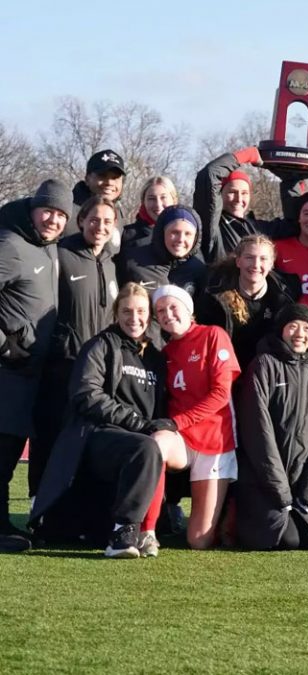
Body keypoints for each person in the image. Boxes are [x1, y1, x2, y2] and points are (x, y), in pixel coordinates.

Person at [30, 283, 172, 558]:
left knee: (160, 445)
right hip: (96, 436)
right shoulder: (100, 345)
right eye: (127, 311)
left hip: (135, 438)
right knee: (145, 447)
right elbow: (86, 395)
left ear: (150, 315)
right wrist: (137, 423)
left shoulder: (155, 357)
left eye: (141, 311)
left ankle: (155, 526)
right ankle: (123, 532)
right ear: (116, 313)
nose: (134, 318)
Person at [32, 196, 120, 499]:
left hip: (98, 372)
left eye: (107, 221)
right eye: (94, 219)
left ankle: (78, 518)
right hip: (62, 366)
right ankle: (39, 510)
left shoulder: (111, 262)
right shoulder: (61, 253)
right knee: (51, 439)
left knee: (88, 442)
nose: (100, 226)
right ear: (81, 220)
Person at [0, 179, 69, 541]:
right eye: (48, 211)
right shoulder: (10, 245)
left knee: (9, 452)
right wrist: (5, 344)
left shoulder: (47, 247)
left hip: (30, 373)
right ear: (33, 209)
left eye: (60, 215)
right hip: (7, 370)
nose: (53, 220)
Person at [236, 303, 308, 550]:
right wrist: (280, 490)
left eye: (306, 327)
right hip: (264, 481)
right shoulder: (264, 365)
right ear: (281, 329)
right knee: (288, 540)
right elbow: (258, 431)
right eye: (293, 326)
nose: (300, 333)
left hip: (301, 483)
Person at [152, 285, 242, 549]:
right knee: (156, 444)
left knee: (199, 541)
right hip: (182, 440)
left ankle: (230, 509)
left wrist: (177, 422)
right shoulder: (166, 353)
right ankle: (148, 528)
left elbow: (220, 395)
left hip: (215, 441)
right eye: (160, 311)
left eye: (173, 307)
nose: (167, 314)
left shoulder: (213, 335)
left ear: (188, 309)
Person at [196, 235, 296, 370]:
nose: (256, 265)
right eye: (249, 257)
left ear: (271, 264)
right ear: (238, 261)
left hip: (264, 372)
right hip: (224, 368)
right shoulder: (215, 296)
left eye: (263, 259)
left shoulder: (283, 297)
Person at [194, 146, 303, 264]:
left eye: (244, 193)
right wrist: (247, 155)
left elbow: (295, 225)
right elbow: (209, 175)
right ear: (220, 195)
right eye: (232, 192)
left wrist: (290, 181)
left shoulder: (257, 228)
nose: (239, 199)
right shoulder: (212, 226)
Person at [119, 205, 207, 344]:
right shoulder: (134, 261)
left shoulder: (198, 268)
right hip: (142, 347)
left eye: (188, 234)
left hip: (182, 349)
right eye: (174, 232)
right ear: (162, 232)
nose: (180, 239)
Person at [119, 176, 178, 258]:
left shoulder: (186, 234)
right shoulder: (126, 236)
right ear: (143, 202)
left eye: (163, 197)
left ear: (174, 200)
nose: (158, 205)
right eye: (151, 198)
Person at [71, 149, 126, 231]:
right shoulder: (66, 213)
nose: (109, 182)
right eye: (102, 176)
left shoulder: (119, 214)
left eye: (115, 178)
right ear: (87, 179)